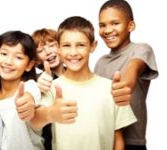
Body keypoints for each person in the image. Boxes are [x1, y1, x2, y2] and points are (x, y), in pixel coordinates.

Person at [30, 16, 137, 150]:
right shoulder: (52, 88)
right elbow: (34, 120)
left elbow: (118, 137)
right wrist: (50, 113)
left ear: (93, 46)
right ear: (58, 47)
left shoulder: (111, 88)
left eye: (80, 45)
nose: (73, 53)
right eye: (66, 45)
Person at [94, 0, 159, 149]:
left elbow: (134, 67)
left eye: (115, 23)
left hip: (133, 142)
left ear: (130, 26)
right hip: (105, 140)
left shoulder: (141, 49)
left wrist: (124, 87)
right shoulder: (100, 63)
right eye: (102, 25)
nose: (107, 30)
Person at [32, 28, 65, 150]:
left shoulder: (75, 73)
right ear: (35, 60)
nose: (48, 52)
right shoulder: (37, 81)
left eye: (52, 45)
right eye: (40, 50)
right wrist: (37, 88)